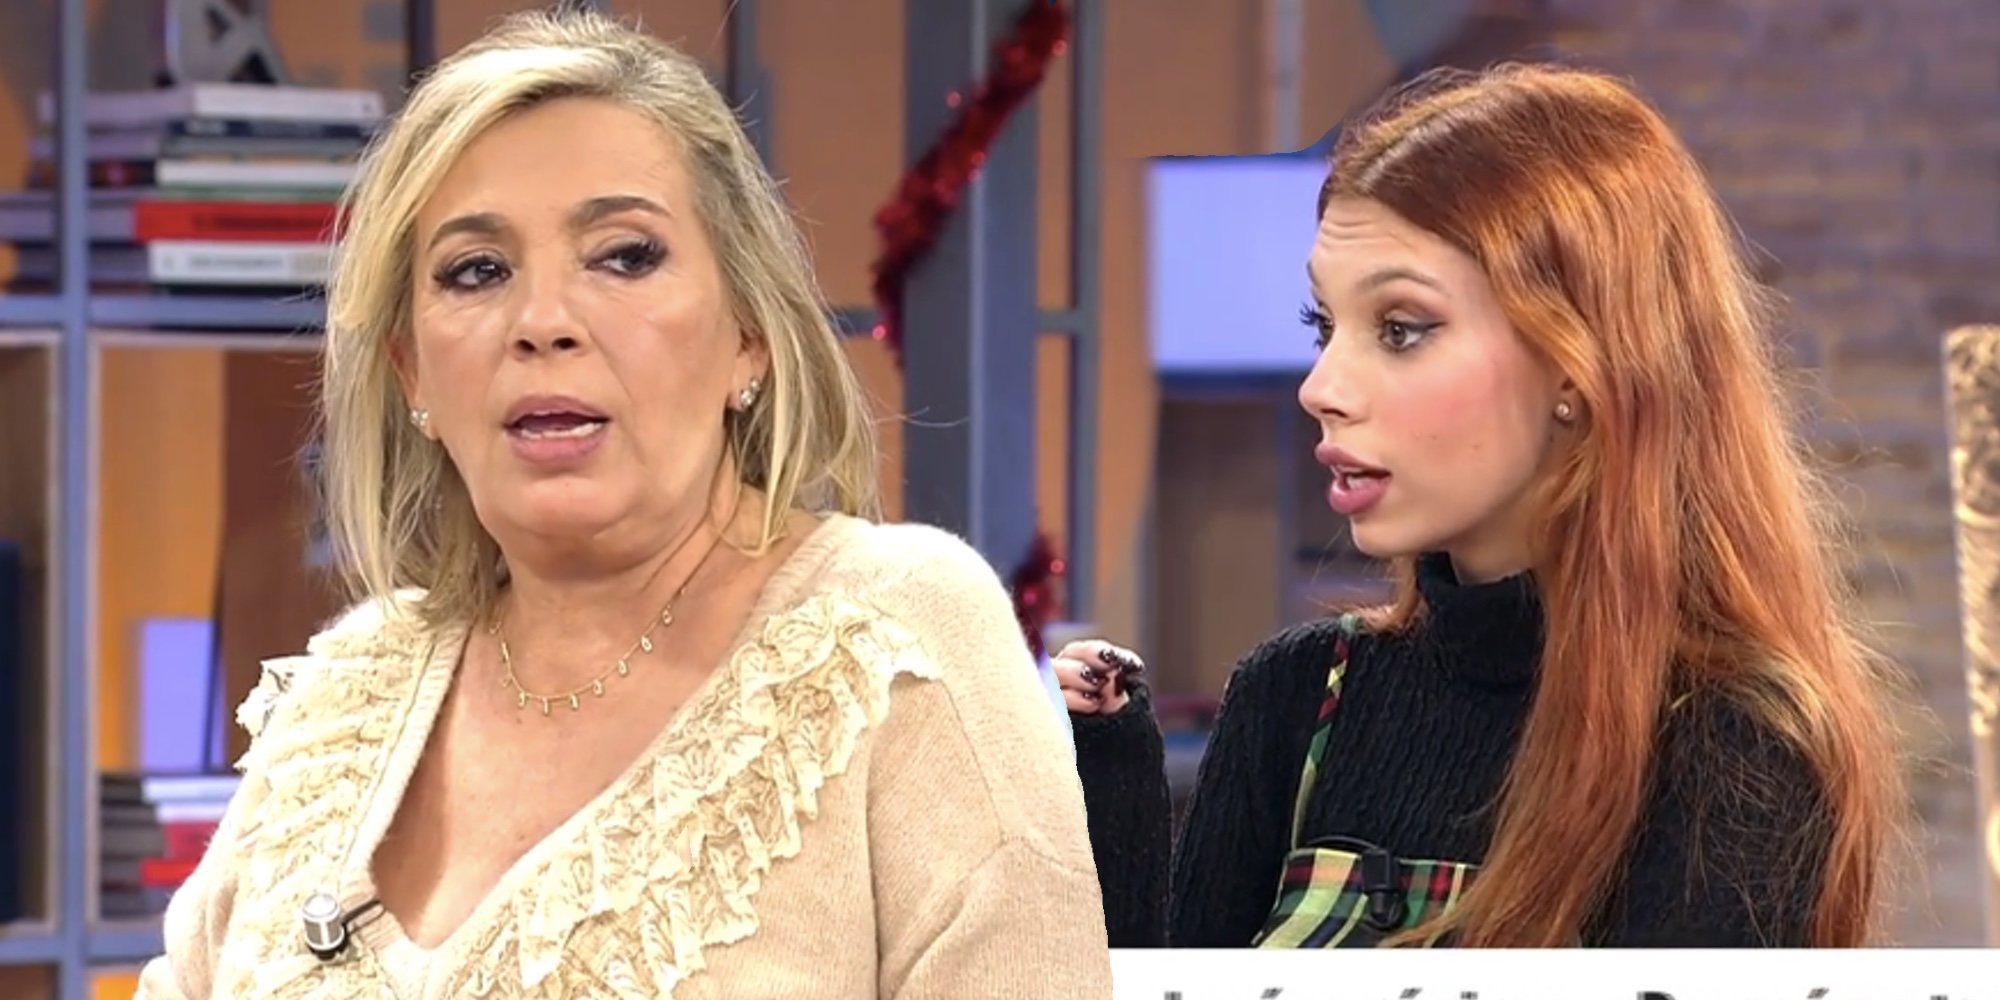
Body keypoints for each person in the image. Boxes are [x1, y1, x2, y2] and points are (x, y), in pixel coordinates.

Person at [136, 10, 1112, 998]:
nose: (542, 322)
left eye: (623, 255)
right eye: (477, 271)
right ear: (411, 372)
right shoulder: (347, 694)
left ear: (748, 333)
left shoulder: (897, 634)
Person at [1056, 63, 1907, 950]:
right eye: (1324, 328)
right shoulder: (1296, 697)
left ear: (1577, 366)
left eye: (1400, 330)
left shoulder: (1736, 752)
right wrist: (1111, 782)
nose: (1321, 387)